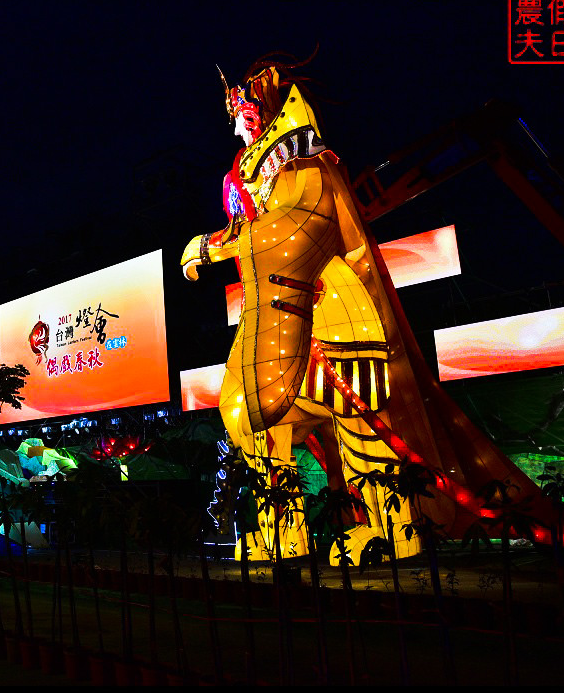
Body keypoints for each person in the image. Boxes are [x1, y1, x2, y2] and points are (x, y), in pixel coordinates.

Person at [181, 54, 538, 564]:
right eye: (234, 115)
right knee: (242, 413)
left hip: (329, 307)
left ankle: (393, 529)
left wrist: (219, 243)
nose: (236, 122)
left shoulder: (305, 164)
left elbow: (298, 225)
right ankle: (282, 532)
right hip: (272, 310)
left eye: (243, 111)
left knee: (360, 424)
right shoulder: (256, 175)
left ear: (266, 113)